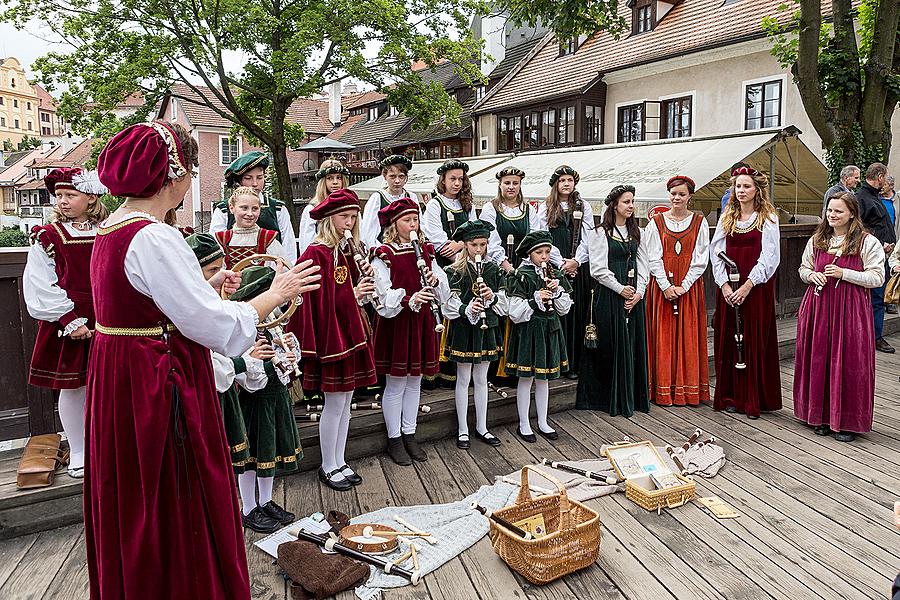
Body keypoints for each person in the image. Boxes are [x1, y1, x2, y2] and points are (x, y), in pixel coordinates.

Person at [87, 121, 320, 599]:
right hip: (158, 380)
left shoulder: (110, 230)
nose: (192, 178)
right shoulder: (154, 237)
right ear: (172, 173)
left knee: (136, 491)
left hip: (121, 375)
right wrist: (273, 295)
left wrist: (206, 287)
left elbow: (147, 302)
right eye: (191, 168)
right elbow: (214, 327)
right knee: (176, 490)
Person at [186, 233, 279, 533]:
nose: (221, 277)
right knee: (225, 457)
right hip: (209, 395)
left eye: (222, 268)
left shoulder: (222, 303)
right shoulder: (192, 308)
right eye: (212, 271)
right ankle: (239, 509)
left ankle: (251, 506)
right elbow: (211, 361)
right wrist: (245, 360)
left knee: (240, 451)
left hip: (229, 391)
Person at [288, 188, 377, 492]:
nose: (349, 223)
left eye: (353, 217)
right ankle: (328, 465)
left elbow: (349, 289)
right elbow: (317, 299)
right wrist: (354, 294)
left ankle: (340, 459)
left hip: (347, 332)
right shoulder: (317, 251)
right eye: (344, 217)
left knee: (347, 401)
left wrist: (363, 284)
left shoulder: (344, 249)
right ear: (328, 218)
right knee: (335, 403)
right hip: (332, 336)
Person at [23, 167, 109, 479]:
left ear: (91, 197)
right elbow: (41, 282)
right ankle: (79, 450)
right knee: (74, 388)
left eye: (70, 195)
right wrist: (70, 320)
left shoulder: (109, 230)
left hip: (110, 318)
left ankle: (106, 447)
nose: (62, 201)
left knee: (110, 386)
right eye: (59, 195)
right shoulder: (49, 237)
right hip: (71, 321)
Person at [794, 192, 884, 442]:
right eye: (829, 211)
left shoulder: (867, 242)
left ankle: (846, 422)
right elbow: (803, 269)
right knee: (819, 359)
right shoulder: (817, 239)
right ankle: (820, 416)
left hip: (850, 310)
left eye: (838, 211)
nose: (832, 215)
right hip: (819, 307)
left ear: (852, 214)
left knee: (849, 361)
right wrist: (812, 276)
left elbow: (877, 278)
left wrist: (845, 273)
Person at [371, 197, 450, 464]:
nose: (413, 224)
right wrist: (409, 299)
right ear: (395, 224)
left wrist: (436, 281)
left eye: (415, 219)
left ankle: (409, 433)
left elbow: (441, 286)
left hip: (422, 321)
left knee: (415, 380)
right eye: (408, 220)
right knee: (396, 383)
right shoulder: (384, 253)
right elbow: (381, 295)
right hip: (398, 322)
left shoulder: (426, 250)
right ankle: (394, 438)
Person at [710, 166, 782, 419]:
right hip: (729, 289)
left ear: (757, 189)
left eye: (746, 186)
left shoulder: (768, 218)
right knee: (729, 339)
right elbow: (716, 252)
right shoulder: (727, 216)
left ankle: (753, 398)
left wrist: (748, 285)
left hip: (755, 290)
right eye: (738, 186)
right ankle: (730, 395)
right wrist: (725, 286)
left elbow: (770, 258)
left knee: (752, 339)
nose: (741, 191)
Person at [578, 185, 650, 417]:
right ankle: (608, 398)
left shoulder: (637, 232)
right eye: (626, 202)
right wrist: (621, 290)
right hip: (609, 296)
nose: (631, 206)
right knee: (610, 346)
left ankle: (631, 396)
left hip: (632, 297)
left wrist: (639, 292)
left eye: (632, 202)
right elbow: (598, 269)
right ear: (614, 205)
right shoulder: (599, 233)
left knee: (631, 345)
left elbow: (644, 264)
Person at [442, 220, 509, 449]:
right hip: (464, 329)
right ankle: (463, 429)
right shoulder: (454, 271)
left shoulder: (493, 270)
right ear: (465, 246)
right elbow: (448, 304)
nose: (479, 249)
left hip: (487, 327)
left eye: (483, 244)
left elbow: (504, 304)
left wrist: (491, 297)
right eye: (474, 245)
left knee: (482, 379)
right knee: (463, 379)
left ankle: (482, 426)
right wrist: (467, 308)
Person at [644, 175, 710, 407]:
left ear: (690, 196)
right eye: (673, 194)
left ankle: (688, 390)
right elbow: (652, 256)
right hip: (663, 288)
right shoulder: (656, 223)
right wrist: (666, 285)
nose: (677, 198)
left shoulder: (700, 222)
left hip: (688, 288)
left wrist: (685, 285)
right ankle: (661, 389)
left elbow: (701, 258)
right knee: (663, 337)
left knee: (688, 336)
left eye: (682, 194)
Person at [506, 231, 573, 442]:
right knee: (526, 378)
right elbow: (514, 311)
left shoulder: (555, 274)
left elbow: (564, 310)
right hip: (529, 331)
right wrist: (536, 300)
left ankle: (543, 421)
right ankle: (524, 423)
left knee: (544, 380)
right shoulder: (521, 274)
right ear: (529, 254)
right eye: (539, 252)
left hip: (549, 330)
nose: (544, 256)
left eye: (547, 252)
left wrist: (558, 292)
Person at [477, 166, 539, 380]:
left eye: (515, 183)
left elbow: (535, 237)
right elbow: (490, 241)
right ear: (500, 185)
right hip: (498, 269)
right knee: (499, 312)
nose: (511, 187)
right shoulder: (490, 208)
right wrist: (506, 266)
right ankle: (496, 371)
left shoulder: (529, 210)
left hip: (522, 269)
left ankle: (515, 367)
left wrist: (523, 267)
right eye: (507, 183)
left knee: (520, 315)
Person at [538, 165, 594, 380]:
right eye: (562, 180)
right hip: (555, 266)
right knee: (559, 314)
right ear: (556, 184)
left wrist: (577, 261)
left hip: (578, 267)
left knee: (577, 313)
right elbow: (542, 236)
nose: (566, 184)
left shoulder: (583, 206)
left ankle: (575, 364)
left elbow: (588, 237)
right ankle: (558, 361)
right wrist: (560, 261)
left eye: (570, 180)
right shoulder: (546, 207)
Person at [211, 150, 298, 264]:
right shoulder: (223, 209)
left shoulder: (277, 208)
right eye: (248, 178)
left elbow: (288, 244)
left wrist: (289, 270)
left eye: (259, 177)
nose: (255, 183)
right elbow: (215, 246)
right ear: (240, 180)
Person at [855, 163, 896, 353]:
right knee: (875, 299)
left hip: (883, 255)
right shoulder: (862, 198)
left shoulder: (874, 196)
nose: (886, 182)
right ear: (879, 177)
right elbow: (857, 228)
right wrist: (880, 244)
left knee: (878, 299)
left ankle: (873, 336)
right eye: (885, 178)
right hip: (871, 257)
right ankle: (874, 338)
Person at [422, 159, 477, 268]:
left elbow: (474, 234)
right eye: (452, 179)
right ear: (443, 180)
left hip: (468, 259)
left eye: (460, 179)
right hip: (442, 264)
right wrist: (463, 264)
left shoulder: (469, 206)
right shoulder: (435, 205)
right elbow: (438, 241)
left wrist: (460, 244)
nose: (457, 183)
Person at [215, 186, 287, 268]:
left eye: (255, 209)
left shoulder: (267, 239)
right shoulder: (222, 239)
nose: (250, 213)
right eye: (244, 208)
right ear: (232, 208)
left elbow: (283, 270)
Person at [361, 154, 415, 248]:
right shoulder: (377, 198)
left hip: (409, 247)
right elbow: (368, 231)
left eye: (401, 176)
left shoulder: (411, 197)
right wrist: (376, 250)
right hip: (385, 248)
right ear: (385, 177)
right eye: (392, 176)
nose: (397, 181)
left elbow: (420, 225)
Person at [299, 159, 350, 255]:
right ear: (323, 181)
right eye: (330, 178)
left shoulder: (350, 207)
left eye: (338, 177)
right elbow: (306, 243)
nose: (335, 182)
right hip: (322, 257)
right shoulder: (312, 209)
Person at [880, 175, 898, 315]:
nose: (881, 186)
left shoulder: (897, 199)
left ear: (891, 186)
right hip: (881, 240)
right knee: (882, 269)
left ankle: (891, 299)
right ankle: (882, 298)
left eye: (884, 184)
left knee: (892, 269)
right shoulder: (877, 199)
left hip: (895, 238)